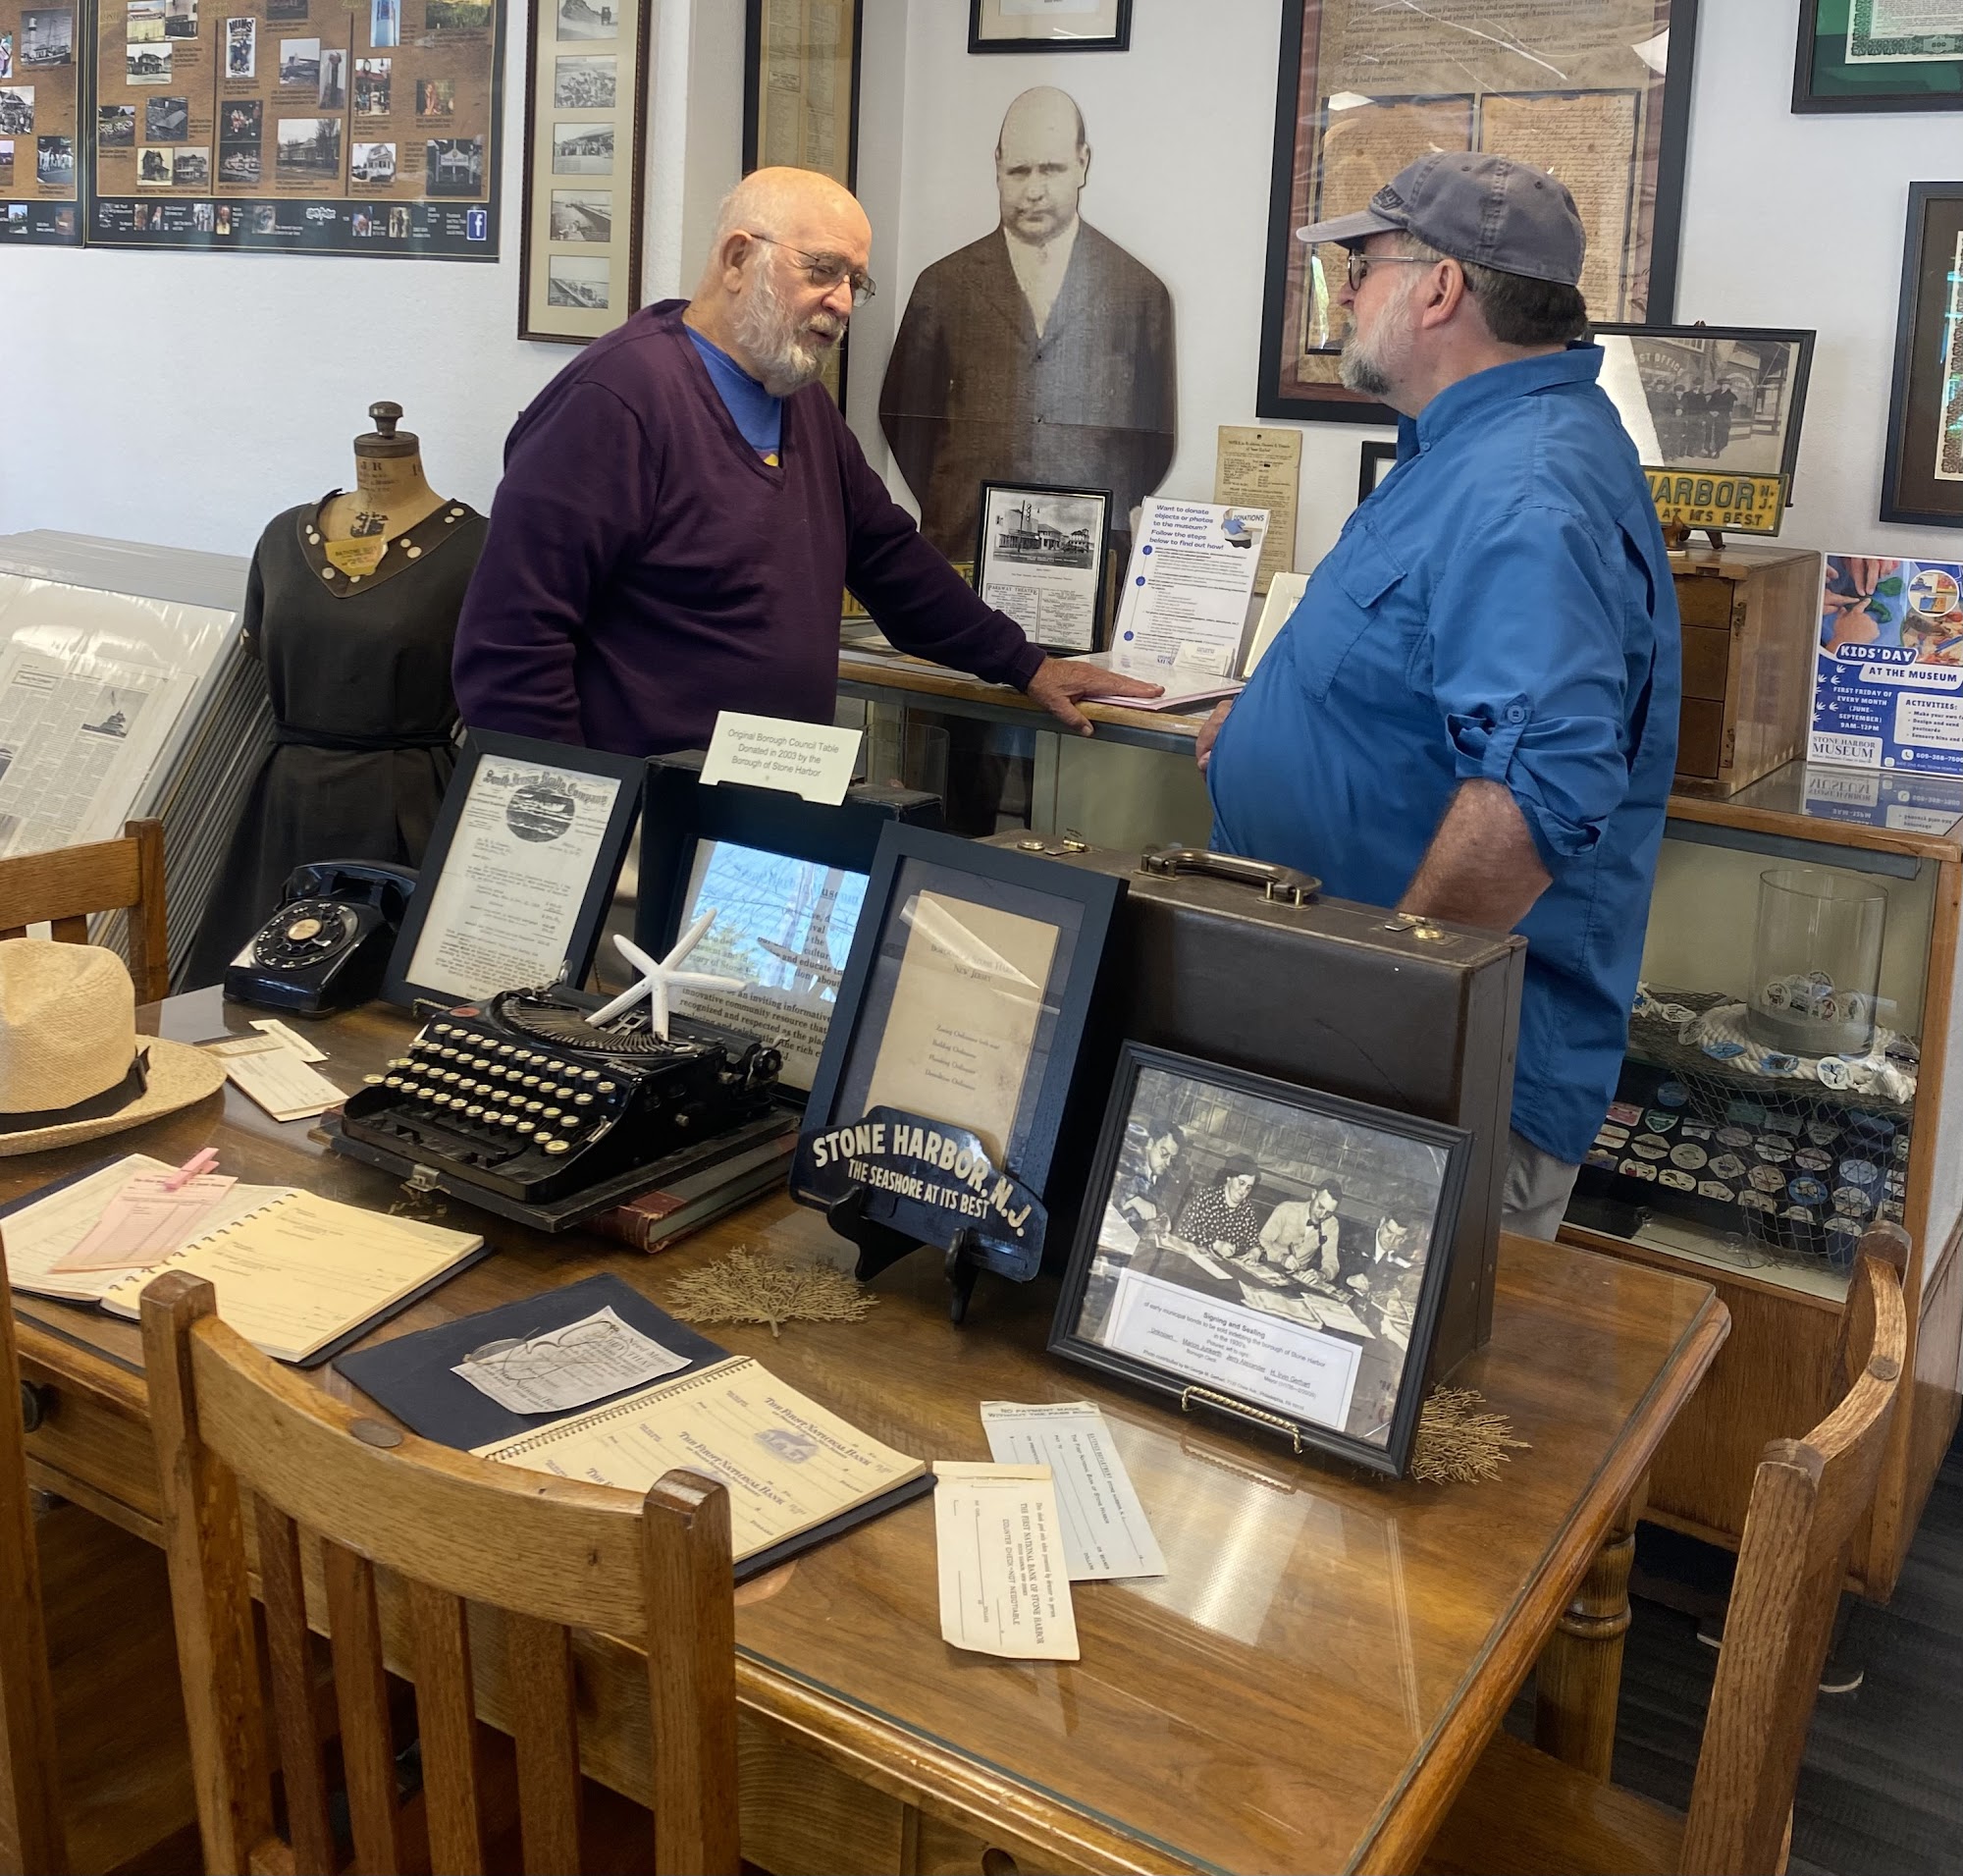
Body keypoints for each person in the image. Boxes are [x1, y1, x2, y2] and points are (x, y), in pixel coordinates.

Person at [1200, 152, 1681, 1241]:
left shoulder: (1526, 488)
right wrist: (1275, 728)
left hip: (1425, 1073)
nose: (1344, 298)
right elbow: (1421, 672)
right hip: (1359, 1036)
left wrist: (1378, 1010)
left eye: (1361, 267)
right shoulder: (1472, 446)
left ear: (1439, 287)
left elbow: (1531, 797)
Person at [451, 166, 1154, 755]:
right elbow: (512, 645)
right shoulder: (614, 402)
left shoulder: (798, 401)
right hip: (642, 823)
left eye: (856, 282)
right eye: (823, 270)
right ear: (737, 259)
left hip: (764, 811)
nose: (842, 301)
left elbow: (890, 561)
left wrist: (1026, 665)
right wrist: (568, 822)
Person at [877, 86, 1176, 563]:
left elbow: (1156, 437)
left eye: (1051, 169)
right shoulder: (942, 285)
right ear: (997, 167)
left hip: (1088, 554)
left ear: (1082, 163)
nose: (1034, 190)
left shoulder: (1139, 291)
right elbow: (902, 413)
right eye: (1019, 171)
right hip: (961, 545)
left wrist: (1098, 498)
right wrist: (954, 494)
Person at [1174, 1156, 1264, 1260]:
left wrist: (1256, 1251)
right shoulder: (1207, 1196)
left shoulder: (1246, 1209)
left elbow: (1254, 1242)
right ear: (1229, 1178)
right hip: (1191, 1259)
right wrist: (1215, 1244)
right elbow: (1185, 1229)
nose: (1243, 1190)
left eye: (1248, 1187)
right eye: (1241, 1183)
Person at [1256, 1182, 1343, 1282]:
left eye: (1328, 1213)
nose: (1321, 1215)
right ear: (1313, 1194)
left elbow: (1331, 1261)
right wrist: (1281, 1257)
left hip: (1297, 1277)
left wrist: (1322, 1274)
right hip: (1268, 1265)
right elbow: (1261, 1241)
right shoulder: (1286, 1209)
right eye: (1320, 1206)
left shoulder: (1331, 1224)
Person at [1113, 1122, 1188, 1232]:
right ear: (1150, 1143)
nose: (1168, 1163)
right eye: (1164, 1154)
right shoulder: (1127, 1164)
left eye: (1172, 1158)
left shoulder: (1161, 1177)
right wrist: (1134, 1201)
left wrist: (1161, 1216)